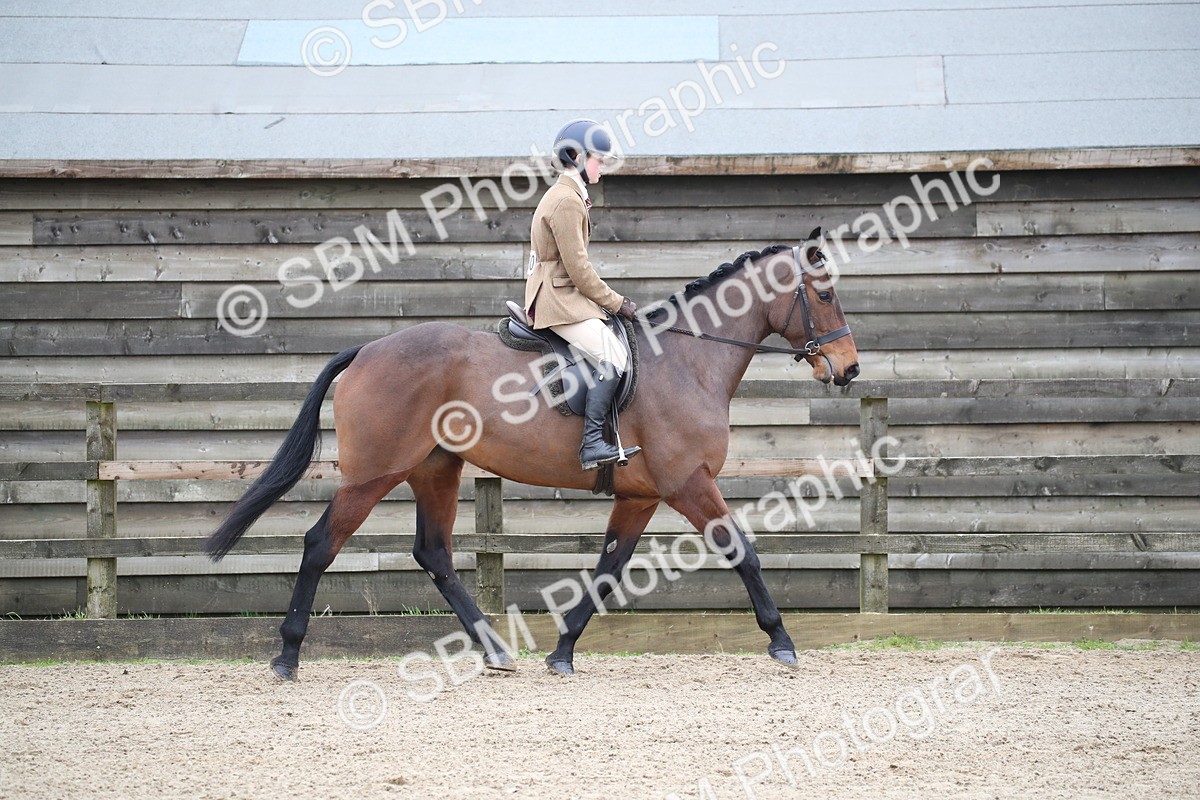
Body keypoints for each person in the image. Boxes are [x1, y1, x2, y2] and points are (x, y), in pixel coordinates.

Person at [524, 119, 643, 471]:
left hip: (561, 294)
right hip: (557, 299)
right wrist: (617, 302)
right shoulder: (566, 201)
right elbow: (578, 269)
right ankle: (591, 444)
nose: (602, 166)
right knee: (614, 355)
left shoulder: (568, 196)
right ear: (576, 157)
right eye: (598, 159)